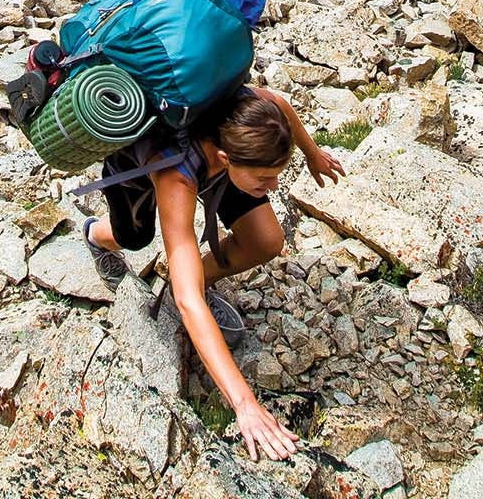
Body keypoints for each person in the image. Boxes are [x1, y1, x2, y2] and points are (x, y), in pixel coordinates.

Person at [80, 85, 343, 461]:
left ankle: (201, 277)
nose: (274, 188)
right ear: (226, 157)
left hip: (219, 165)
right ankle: (94, 236)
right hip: (140, 167)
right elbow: (187, 303)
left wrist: (313, 154)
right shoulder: (177, 179)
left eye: (276, 176)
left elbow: (281, 103)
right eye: (265, 179)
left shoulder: (252, 118)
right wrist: (245, 405)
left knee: (266, 239)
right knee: (133, 237)